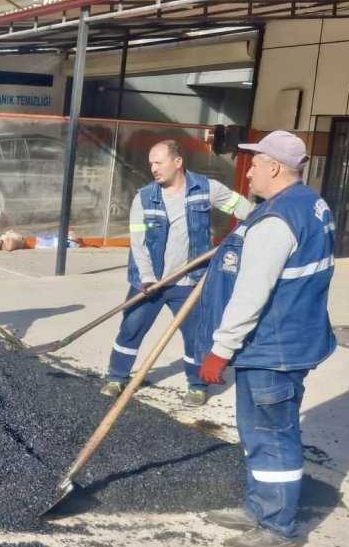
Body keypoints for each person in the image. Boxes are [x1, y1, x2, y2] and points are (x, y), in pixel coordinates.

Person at [197, 130, 337, 547]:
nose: (249, 170)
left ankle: (278, 528)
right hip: (289, 339)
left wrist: (221, 348)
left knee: (272, 435)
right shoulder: (309, 203)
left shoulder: (277, 221)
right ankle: (260, 508)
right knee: (259, 431)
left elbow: (252, 292)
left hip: (273, 348)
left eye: (255, 163)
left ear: (275, 167)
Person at [102, 140, 253, 406]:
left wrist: (249, 227)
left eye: (159, 162)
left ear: (178, 162)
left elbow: (242, 208)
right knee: (131, 328)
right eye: (151, 163)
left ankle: (197, 386)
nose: (154, 168)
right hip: (149, 282)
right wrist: (148, 277)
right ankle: (116, 377)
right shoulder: (145, 197)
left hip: (190, 280)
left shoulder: (205, 189)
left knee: (196, 336)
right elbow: (137, 243)